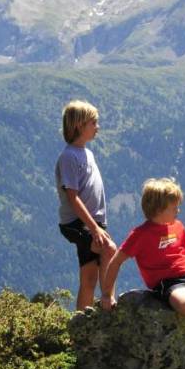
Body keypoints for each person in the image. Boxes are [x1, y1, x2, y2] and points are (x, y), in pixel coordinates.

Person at [101, 178, 185, 318]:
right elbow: (116, 261)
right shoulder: (140, 235)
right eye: (174, 208)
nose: (178, 211)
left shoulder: (178, 226)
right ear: (159, 209)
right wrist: (107, 295)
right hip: (170, 283)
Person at [56, 100, 116, 311]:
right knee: (109, 249)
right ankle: (108, 302)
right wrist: (93, 228)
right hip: (78, 222)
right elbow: (72, 197)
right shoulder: (68, 157)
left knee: (89, 276)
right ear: (79, 126)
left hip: (93, 221)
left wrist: (96, 225)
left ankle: (82, 319)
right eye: (93, 123)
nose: (97, 127)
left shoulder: (87, 153)